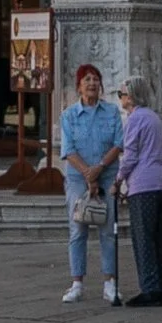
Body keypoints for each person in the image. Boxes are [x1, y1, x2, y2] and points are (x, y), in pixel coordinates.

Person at [58, 63, 122, 306]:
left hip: (106, 175)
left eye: (95, 79)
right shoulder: (69, 116)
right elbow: (68, 150)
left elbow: (118, 144)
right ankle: (77, 282)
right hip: (78, 176)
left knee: (107, 229)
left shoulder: (112, 112)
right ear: (79, 86)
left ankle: (110, 282)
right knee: (78, 229)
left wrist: (99, 169)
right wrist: (87, 174)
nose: (92, 84)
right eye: (87, 80)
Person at [117, 79, 162, 305]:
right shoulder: (154, 117)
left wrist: (118, 180)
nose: (120, 98)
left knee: (143, 239)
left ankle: (150, 288)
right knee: (156, 239)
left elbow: (130, 155)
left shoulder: (135, 119)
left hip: (143, 185)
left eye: (122, 94)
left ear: (131, 97)